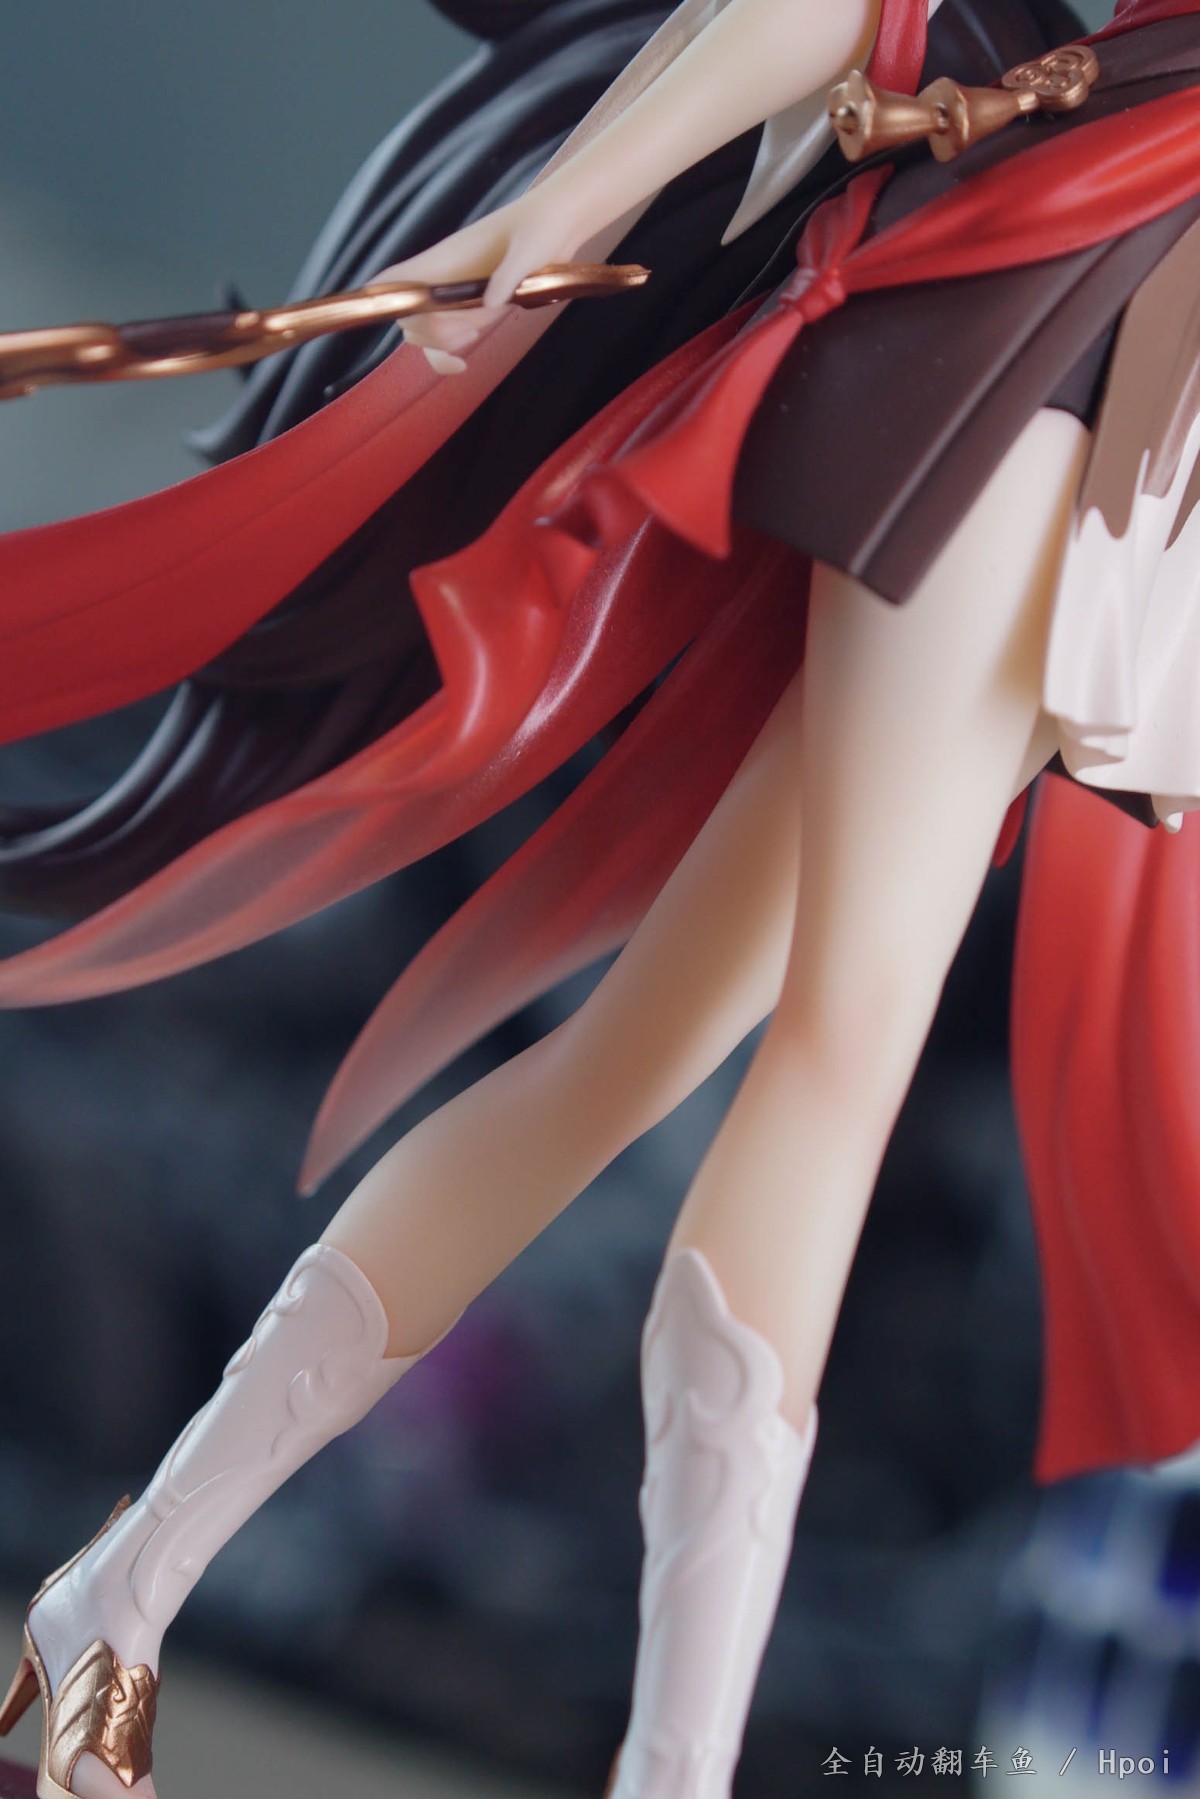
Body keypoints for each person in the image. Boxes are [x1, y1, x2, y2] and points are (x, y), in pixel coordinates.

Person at [2, 0, 1200, 1794]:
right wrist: (567, 199)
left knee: (635, 1054)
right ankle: (673, 1768)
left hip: (1109, 423)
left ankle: (114, 1599)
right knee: (837, 1061)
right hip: (1041, 367)